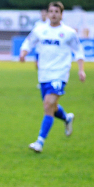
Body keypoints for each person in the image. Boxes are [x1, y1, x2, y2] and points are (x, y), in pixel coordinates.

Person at [19, 1, 86, 153]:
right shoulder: (40, 30)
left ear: (61, 14)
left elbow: (79, 51)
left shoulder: (69, 32)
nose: (53, 14)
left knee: (48, 105)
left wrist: (81, 70)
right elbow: (28, 42)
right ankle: (67, 118)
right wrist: (23, 52)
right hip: (44, 74)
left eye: (57, 11)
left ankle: (39, 142)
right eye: (51, 11)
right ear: (48, 14)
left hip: (60, 74)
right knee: (52, 107)